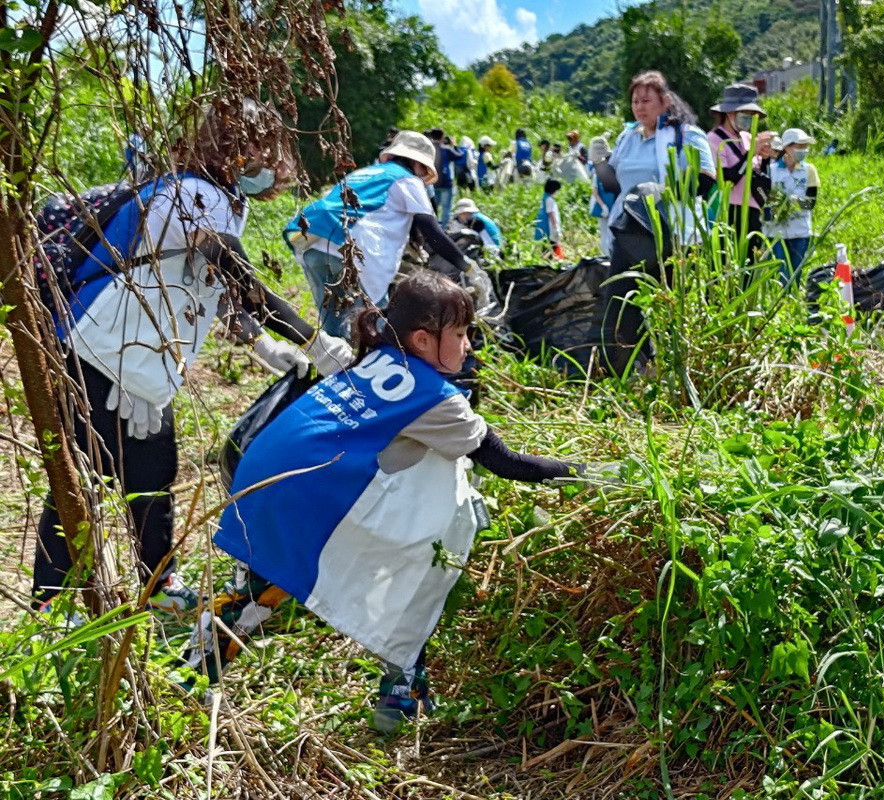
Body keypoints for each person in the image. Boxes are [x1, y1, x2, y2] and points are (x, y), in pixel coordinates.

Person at [186, 271, 597, 732]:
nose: (468, 348)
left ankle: (196, 664)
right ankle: (402, 688)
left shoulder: (375, 356)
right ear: (423, 339)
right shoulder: (439, 400)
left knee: (266, 582)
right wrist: (586, 475)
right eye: (460, 335)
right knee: (425, 563)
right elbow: (508, 462)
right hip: (306, 496)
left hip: (261, 473)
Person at [34, 98, 355, 613]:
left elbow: (209, 290)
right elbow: (235, 273)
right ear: (239, 148)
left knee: (153, 474)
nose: (271, 165)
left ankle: (156, 584)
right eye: (265, 151)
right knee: (84, 477)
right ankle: (51, 601)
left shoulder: (219, 199)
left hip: (142, 361)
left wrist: (259, 342)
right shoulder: (193, 195)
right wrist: (311, 339)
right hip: (100, 352)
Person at [285, 130, 476, 338]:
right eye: (423, 170)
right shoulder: (408, 180)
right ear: (418, 164)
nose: (422, 177)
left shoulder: (363, 173)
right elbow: (432, 231)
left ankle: (334, 366)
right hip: (351, 249)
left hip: (313, 243)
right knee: (373, 326)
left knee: (335, 330)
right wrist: (467, 266)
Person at [598, 70, 716, 375]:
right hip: (630, 234)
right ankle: (635, 372)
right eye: (635, 101)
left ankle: (682, 372)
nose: (639, 106)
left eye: (646, 100)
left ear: (665, 101)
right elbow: (614, 186)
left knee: (674, 307)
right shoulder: (627, 138)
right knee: (621, 306)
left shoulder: (686, 134)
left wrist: (664, 193)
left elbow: (706, 181)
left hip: (671, 235)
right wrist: (598, 164)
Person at [707, 84, 774, 256]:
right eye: (746, 115)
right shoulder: (715, 140)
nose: (750, 120)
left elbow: (758, 174)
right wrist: (751, 152)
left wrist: (765, 158)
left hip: (752, 211)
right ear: (729, 113)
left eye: (753, 116)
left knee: (751, 265)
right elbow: (728, 180)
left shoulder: (747, 137)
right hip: (729, 211)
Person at [763, 128, 819, 286]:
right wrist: (776, 206)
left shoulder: (809, 170)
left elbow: (811, 203)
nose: (803, 150)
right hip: (775, 231)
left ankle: (791, 306)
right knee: (781, 276)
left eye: (805, 147)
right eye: (799, 146)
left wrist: (794, 202)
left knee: (795, 276)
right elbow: (764, 198)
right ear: (787, 147)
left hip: (800, 230)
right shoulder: (771, 170)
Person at [589, 137, 617, 258]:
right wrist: (603, 206)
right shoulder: (598, 173)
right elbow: (595, 192)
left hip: (613, 205)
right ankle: (606, 256)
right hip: (604, 207)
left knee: (611, 233)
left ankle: (611, 255)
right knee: (605, 234)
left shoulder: (612, 169)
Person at [534, 178, 564, 259]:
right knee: (552, 243)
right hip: (549, 226)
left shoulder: (546, 197)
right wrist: (555, 227)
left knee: (548, 244)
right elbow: (550, 213)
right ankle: (550, 259)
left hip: (547, 224)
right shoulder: (549, 199)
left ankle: (548, 258)